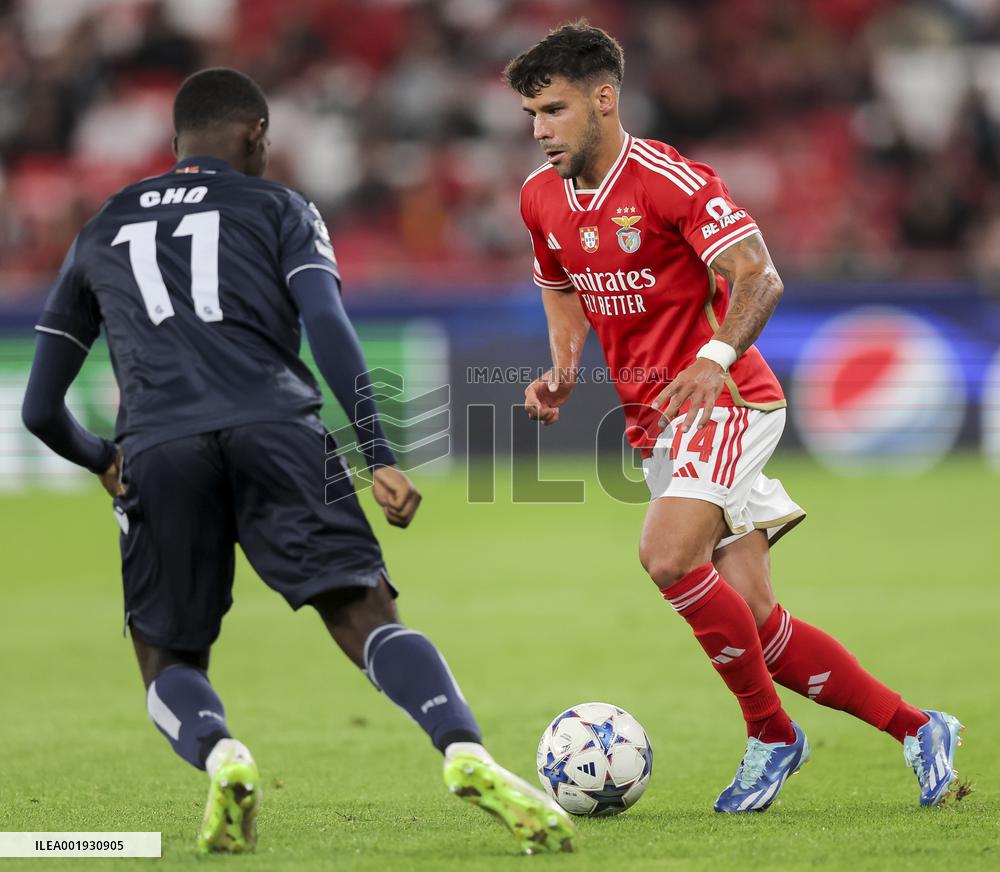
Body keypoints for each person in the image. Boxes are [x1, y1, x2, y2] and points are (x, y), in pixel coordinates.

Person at [21, 67, 575, 855]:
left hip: (159, 445)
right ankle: (464, 750)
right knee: (363, 613)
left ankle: (222, 754)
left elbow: (39, 410)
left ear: (176, 142)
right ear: (255, 137)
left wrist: (104, 459)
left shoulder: (101, 226)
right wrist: (375, 452)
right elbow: (326, 323)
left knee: (169, 657)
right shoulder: (280, 206)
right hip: (277, 427)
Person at [505, 22, 963, 813]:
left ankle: (772, 735)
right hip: (657, 421)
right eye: (531, 117)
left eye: (552, 110)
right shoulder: (539, 198)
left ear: (603, 99)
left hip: (728, 398)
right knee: (754, 619)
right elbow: (558, 280)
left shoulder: (669, 179)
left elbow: (759, 276)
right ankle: (920, 727)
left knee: (666, 556)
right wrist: (566, 365)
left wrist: (712, 358)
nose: (540, 131)